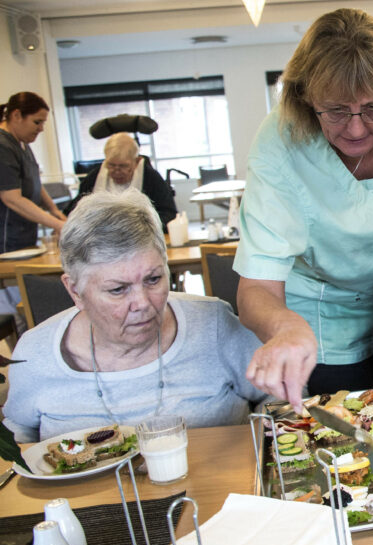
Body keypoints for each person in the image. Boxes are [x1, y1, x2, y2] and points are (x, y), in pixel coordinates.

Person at [234, 8, 373, 410]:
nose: (356, 128)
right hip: (328, 329)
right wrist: (285, 327)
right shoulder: (278, 146)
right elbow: (256, 288)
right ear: (305, 99)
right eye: (335, 111)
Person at [3, 189, 267, 442]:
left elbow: (276, 398)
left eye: (153, 279)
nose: (142, 303)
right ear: (75, 291)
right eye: (118, 290)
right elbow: (18, 435)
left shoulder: (214, 325)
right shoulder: (35, 353)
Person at [65, 132, 177, 230]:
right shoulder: (95, 177)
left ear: (136, 162)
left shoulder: (151, 177)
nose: (116, 171)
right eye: (111, 165)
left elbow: (169, 214)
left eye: (123, 166)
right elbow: (74, 210)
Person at [0, 91, 66, 252]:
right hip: (6, 239)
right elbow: (11, 198)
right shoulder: (3, 146)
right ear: (16, 115)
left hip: (23, 235)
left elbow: (33, 181)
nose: (41, 129)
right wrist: (58, 225)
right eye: (37, 122)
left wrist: (54, 210)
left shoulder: (22, 143)